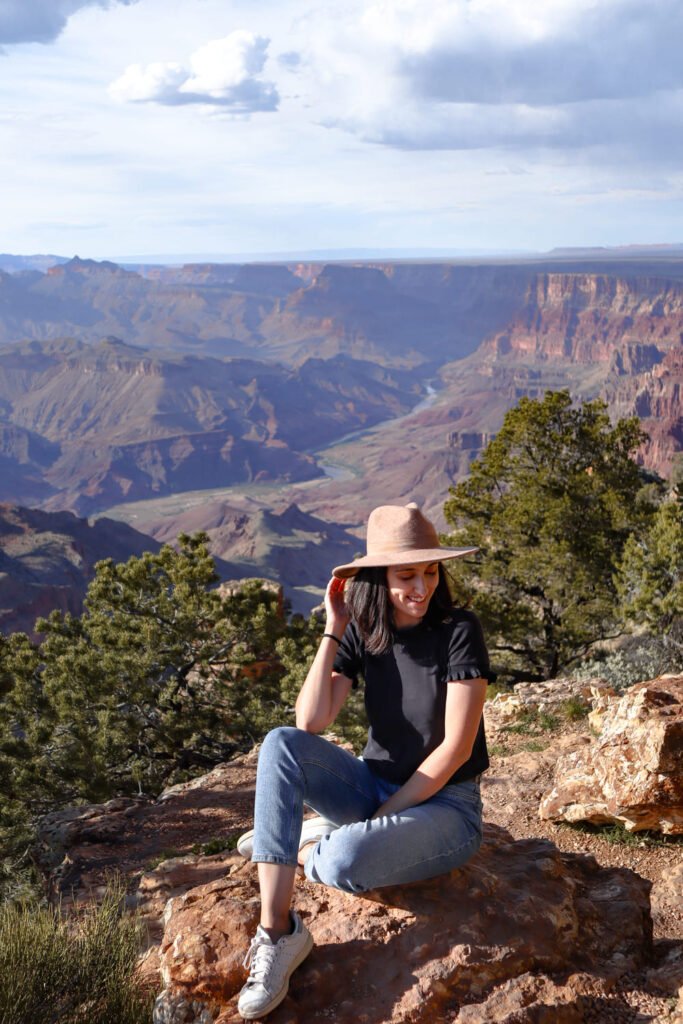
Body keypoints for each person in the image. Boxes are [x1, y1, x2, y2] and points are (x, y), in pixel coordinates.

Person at [236, 502, 494, 1020]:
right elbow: (310, 722)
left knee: (339, 861)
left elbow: (456, 750)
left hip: (446, 808)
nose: (420, 587)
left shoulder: (458, 629)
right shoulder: (365, 630)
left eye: (430, 571)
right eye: (406, 575)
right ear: (379, 575)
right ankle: (279, 933)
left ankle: (296, 839)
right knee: (279, 744)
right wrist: (333, 628)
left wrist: (382, 818)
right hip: (371, 784)